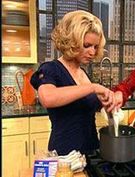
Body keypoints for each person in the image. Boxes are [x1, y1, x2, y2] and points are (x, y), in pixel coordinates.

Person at [30, 10, 115, 155]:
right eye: (87, 45)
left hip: (91, 151)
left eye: (95, 47)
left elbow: (87, 107)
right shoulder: (51, 69)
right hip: (65, 155)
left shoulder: (83, 73)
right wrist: (93, 87)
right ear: (72, 41)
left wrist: (108, 103)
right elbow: (48, 98)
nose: (92, 52)